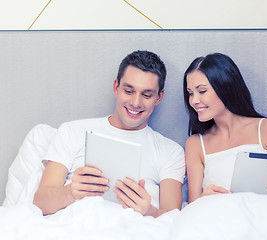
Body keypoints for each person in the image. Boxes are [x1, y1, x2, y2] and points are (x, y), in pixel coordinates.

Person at [33, 50, 185, 217]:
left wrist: (148, 211)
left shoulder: (170, 152)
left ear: (159, 97)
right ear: (116, 87)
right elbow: (40, 203)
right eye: (128, 91)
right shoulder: (72, 131)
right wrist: (71, 192)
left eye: (147, 95)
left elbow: (172, 219)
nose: (136, 103)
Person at [183, 52, 267, 204]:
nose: (194, 100)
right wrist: (204, 199)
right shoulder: (195, 144)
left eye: (202, 91)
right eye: (190, 93)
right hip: (223, 218)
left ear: (225, 87)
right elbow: (192, 206)